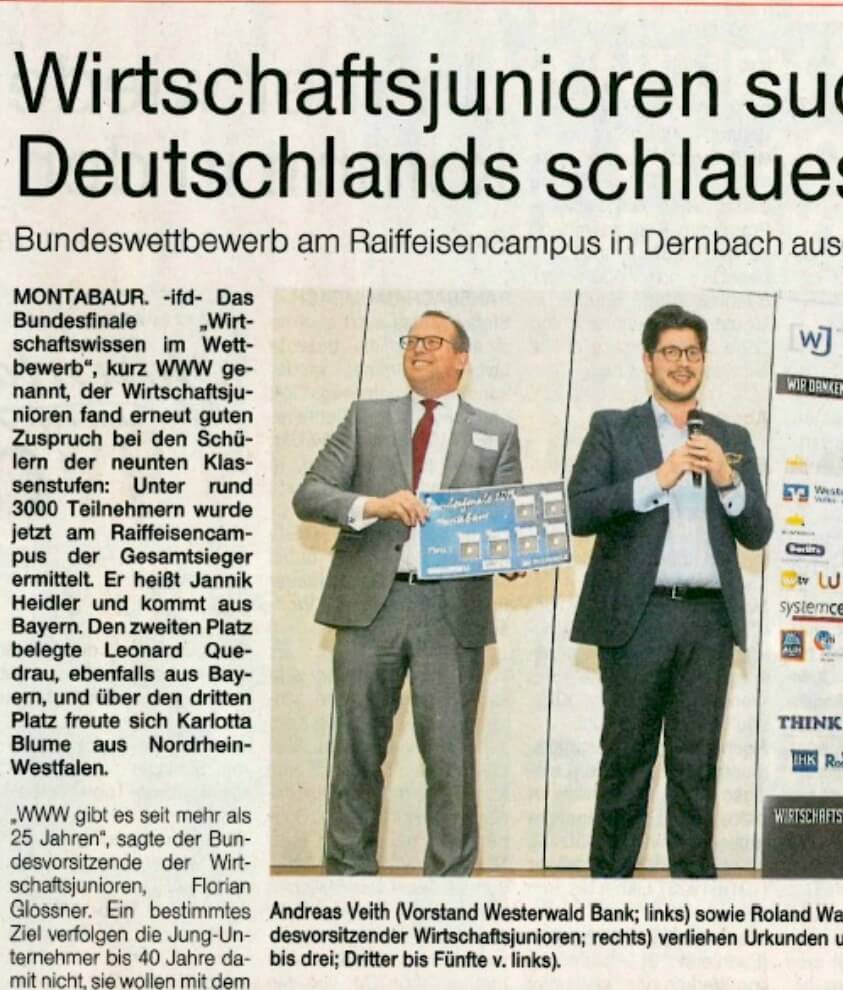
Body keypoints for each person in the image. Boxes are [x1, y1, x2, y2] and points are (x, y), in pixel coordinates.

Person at [293, 310, 522, 876]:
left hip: (451, 614)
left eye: (433, 341)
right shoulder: (365, 417)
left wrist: (515, 555)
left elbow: (510, 523)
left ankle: (447, 890)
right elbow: (309, 494)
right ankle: (348, 882)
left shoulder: (498, 432)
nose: (418, 348)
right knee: (356, 753)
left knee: (450, 762)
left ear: (461, 358)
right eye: (412, 340)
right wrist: (372, 506)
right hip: (369, 608)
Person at [569, 303, 772, 878]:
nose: (682, 363)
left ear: (704, 360)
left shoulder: (732, 437)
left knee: (695, 766)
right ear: (648, 360)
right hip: (638, 618)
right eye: (670, 352)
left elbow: (758, 532)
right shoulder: (613, 427)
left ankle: (694, 893)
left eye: (692, 352)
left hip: (709, 623)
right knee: (626, 761)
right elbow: (579, 510)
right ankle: (609, 888)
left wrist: (729, 482)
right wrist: (655, 480)